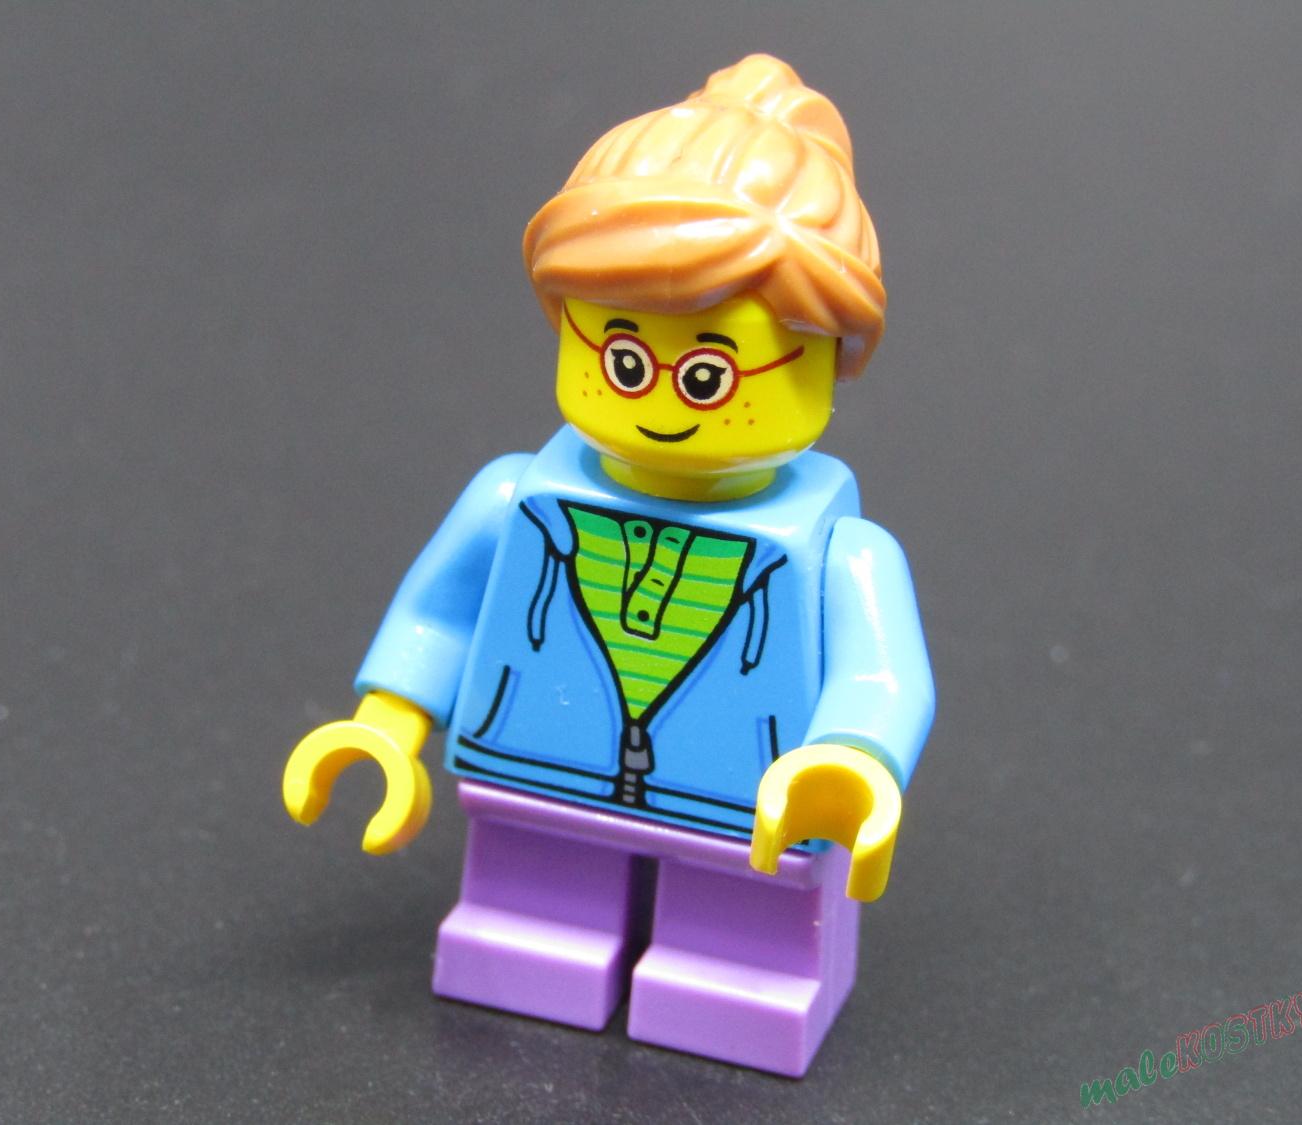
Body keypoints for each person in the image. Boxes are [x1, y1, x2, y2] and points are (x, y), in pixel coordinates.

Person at [282, 54, 935, 1077]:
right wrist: (386, 726)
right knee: (530, 918)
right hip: (538, 782)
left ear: (826, 356)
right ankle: (534, 943)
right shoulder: (514, 496)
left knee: (740, 950)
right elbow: (440, 617)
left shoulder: (841, 552)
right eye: (624, 359)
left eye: (710, 371)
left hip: (748, 821)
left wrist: (852, 760)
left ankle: (737, 982)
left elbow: (883, 676)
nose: (662, 397)